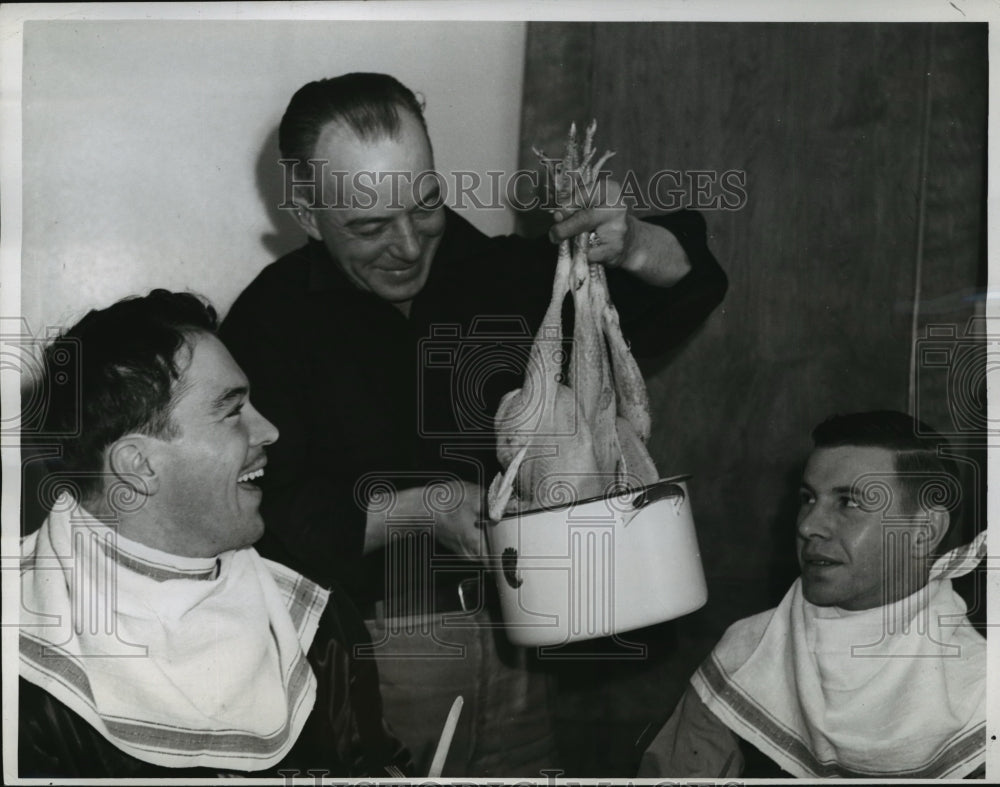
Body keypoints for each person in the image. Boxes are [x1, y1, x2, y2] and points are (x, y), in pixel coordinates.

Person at [220, 72, 728, 776]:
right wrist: (425, 510)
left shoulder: (492, 272)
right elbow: (265, 513)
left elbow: (680, 292)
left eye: (425, 204)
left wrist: (636, 241)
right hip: (362, 651)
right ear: (307, 215)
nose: (408, 244)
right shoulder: (269, 324)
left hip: (517, 641)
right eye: (368, 226)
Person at [18, 290, 410, 778]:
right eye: (232, 412)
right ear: (139, 465)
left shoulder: (319, 624)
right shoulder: (24, 668)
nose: (269, 432)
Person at [638, 410, 986, 779]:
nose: (808, 526)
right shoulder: (746, 652)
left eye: (848, 502)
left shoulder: (979, 691)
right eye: (808, 498)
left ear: (923, 530)